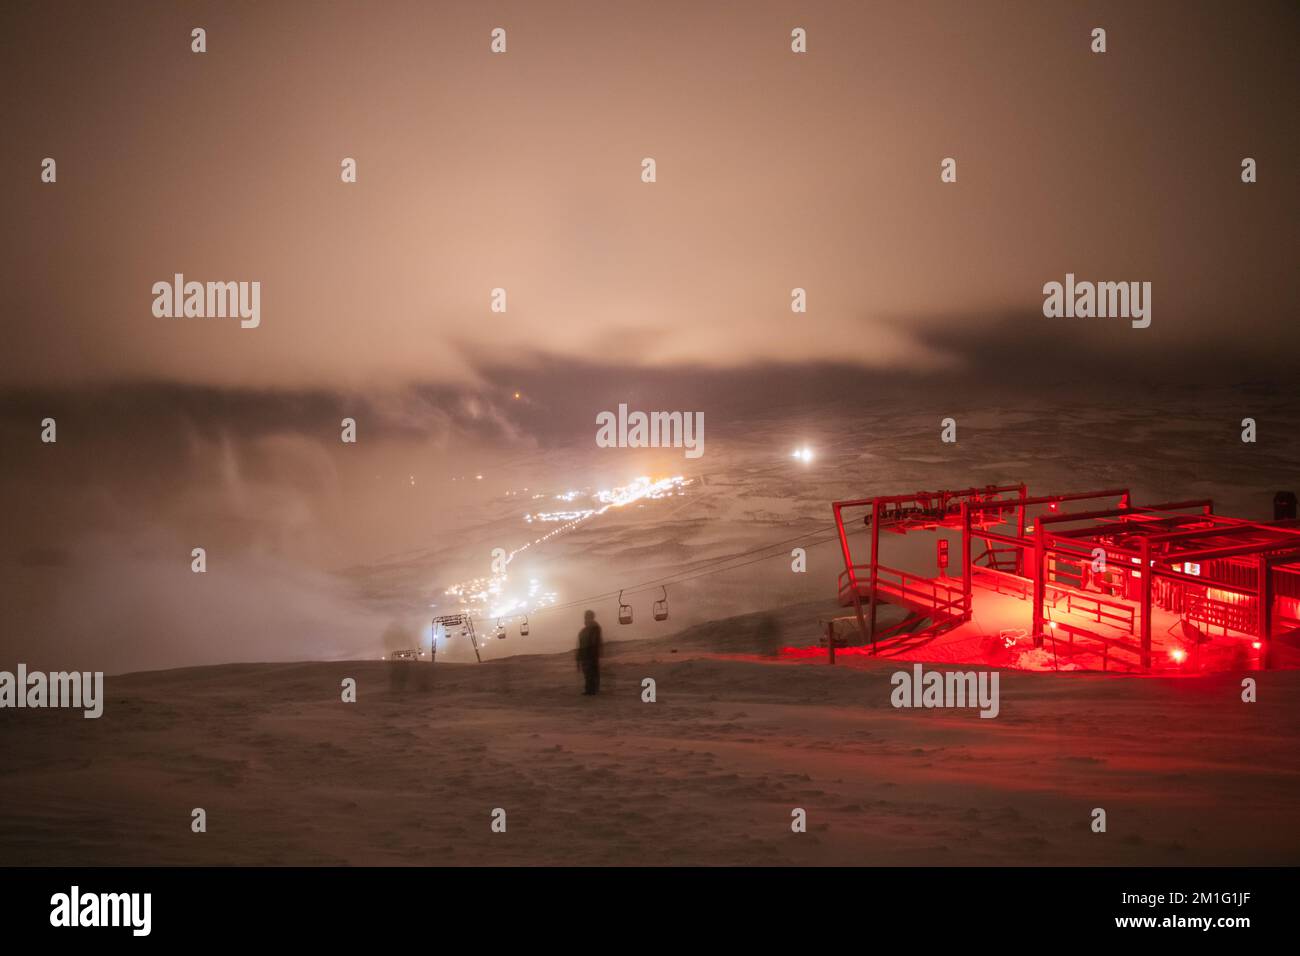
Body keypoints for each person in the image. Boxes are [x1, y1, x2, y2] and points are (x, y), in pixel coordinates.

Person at [576, 609, 603, 695]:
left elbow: (594, 641)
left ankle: (592, 690)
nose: (586, 619)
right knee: (588, 673)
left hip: (590, 655)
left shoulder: (594, 628)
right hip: (587, 655)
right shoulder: (584, 631)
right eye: (586, 617)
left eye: (587, 617)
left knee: (591, 672)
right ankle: (590, 690)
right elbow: (581, 645)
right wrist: (578, 658)